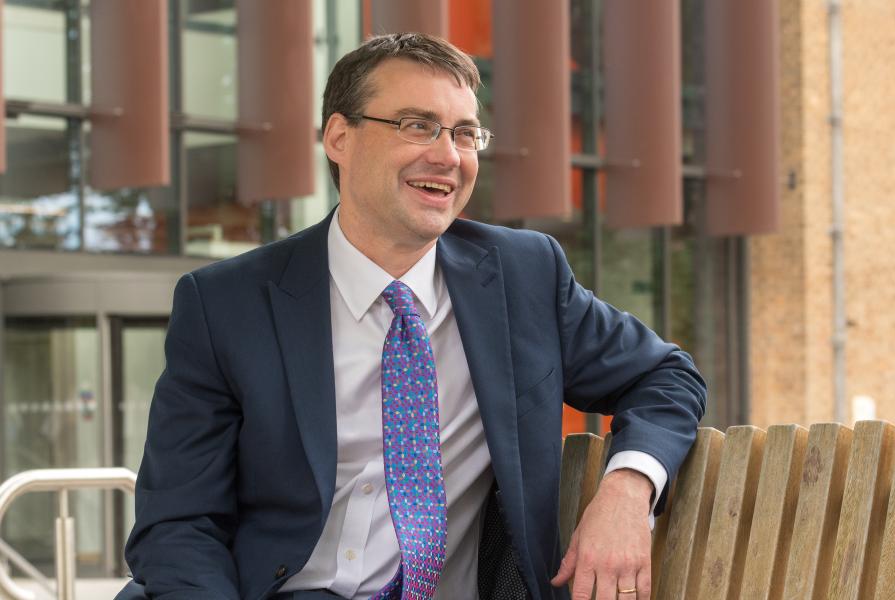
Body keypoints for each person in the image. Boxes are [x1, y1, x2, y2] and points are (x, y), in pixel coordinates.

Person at [117, 33, 705, 600]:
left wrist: (628, 490)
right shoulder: (227, 305)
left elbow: (666, 377)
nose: (448, 156)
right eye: (416, 125)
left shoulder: (523, 275)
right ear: (339, 137)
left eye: (466, 133)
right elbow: (177, 524)